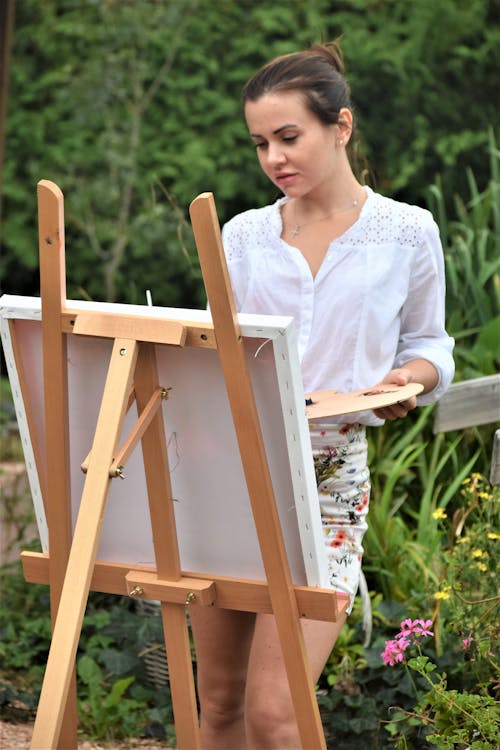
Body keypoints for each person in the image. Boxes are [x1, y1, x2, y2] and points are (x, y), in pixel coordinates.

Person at [189, 40, 454, 749]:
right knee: (219, 705)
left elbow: (430, 344)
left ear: (341, 126)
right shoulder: (242, 237)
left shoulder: (406, 232)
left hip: (331, 481)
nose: (274, 157)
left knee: (278, 715)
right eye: (259, 143)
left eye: (288, 136)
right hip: (231, 472)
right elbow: (215, 350)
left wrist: (412, 380)